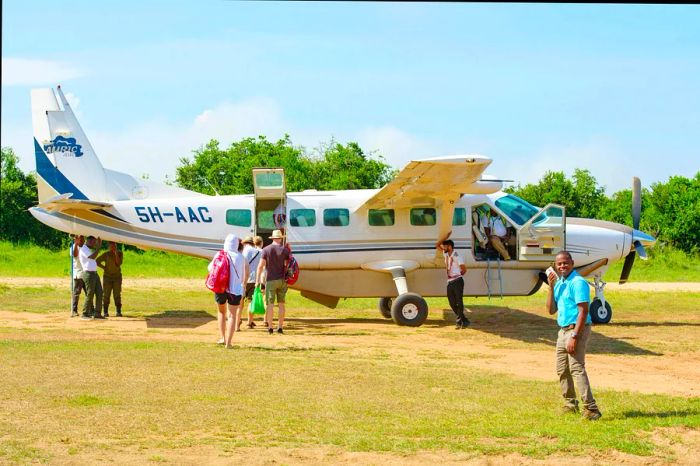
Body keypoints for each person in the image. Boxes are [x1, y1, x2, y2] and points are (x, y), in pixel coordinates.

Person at [546, 250, 602, 421]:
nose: (562, 266)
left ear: (572, 263)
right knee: (562, 369)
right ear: (555, 266)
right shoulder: (560, 283)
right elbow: (550, 310)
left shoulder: (578, 283)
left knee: (577, 368)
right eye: (559, 263)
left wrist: (575, 336)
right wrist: (550, 287)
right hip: (563, 330)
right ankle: (570, 403)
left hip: (576, 329)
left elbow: (583, 311)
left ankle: (591, 408)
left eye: (565, 262)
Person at [208, 234, 247, 349]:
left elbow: (210, 268)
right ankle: (229, 343)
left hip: (221, 287)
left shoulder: (220, 254)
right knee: (232, 315)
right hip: (235, 289)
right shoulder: (240, 257)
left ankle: (222, 338)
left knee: (221, 312)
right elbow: (242, 275)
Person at [255, 229, 289, 334]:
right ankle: (280, 327)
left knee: (270, 304)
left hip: (270, 280)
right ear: (280, 238)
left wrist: (257, 281)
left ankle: (270, 327)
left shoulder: (266, 250)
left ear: (273, 238)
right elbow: (286, 265)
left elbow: (260, 266)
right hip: (282, 280)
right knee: (281, 304)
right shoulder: (284, 250)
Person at [436, 233, 470, 329]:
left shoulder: (456, 255)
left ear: (450, 247)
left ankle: (459, 322)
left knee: (459, 301)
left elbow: (464, 269)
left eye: (446, 246)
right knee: (451, 302)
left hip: (457, 280)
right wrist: (445, 237)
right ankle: (464, 320)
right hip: (450, 281)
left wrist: (458, 276)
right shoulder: (446, 254)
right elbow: (437, 245)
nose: (444, 247)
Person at [239, 236, 263, 330]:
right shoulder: (259, 252)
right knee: (250, 301)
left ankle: (237, 321)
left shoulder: (242, 252)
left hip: (243, 279)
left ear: (245, 243)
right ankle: (249, 322)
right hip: (253, 279)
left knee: (240, 301)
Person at [79, 236, 103, 319]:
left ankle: (97, 313)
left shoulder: (89, 249)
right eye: (93, 242)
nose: (94, 244)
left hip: (94, 274)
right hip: (88, 274)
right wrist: (99, 247)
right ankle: (85, 313)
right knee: (90, 294)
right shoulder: (83, 249)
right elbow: (92, 257)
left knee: (100, 292)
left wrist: (97, 246)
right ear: (88, 241)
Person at [97, 241, 123, 317]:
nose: (113, 248)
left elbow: (118, 263)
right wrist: (104, 268)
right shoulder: (106, 254)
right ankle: (105, 311)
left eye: (114, 246)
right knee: (106, 295)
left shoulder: (120, 253)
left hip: (117, 277)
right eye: (111, 246)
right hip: (107, 277)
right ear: (108, 246)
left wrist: (116, 253)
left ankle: (118, 311)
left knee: (117, 294)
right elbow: (97, 261)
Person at [70, 235, 86, 317]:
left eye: (83, 238)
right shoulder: (73, 247)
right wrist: (76, 244)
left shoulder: (86, 247)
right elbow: (75, 255)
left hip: (86, 273)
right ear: (78, 239)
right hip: (78, 274)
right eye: (81, 238)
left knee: (89, 293)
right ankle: (74, 310)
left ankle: (90, 309)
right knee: (77, 293)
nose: (83, 240)